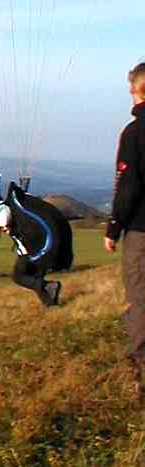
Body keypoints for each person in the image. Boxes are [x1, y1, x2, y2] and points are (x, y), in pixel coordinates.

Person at [105, 62, 145, 399]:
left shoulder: (134, 133)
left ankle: (142, 365)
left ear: (136, 91)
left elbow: (128, 186)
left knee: (140, 296)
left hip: (142, 231)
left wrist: (114, 227)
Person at [0, 180, 73, 306]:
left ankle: (48, 286)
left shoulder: (3, 208)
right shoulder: (6, 207)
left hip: (28, 252)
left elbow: (4, 220)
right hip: (34, 249)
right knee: (35, 278)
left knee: (18, 276)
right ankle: (51, 305)